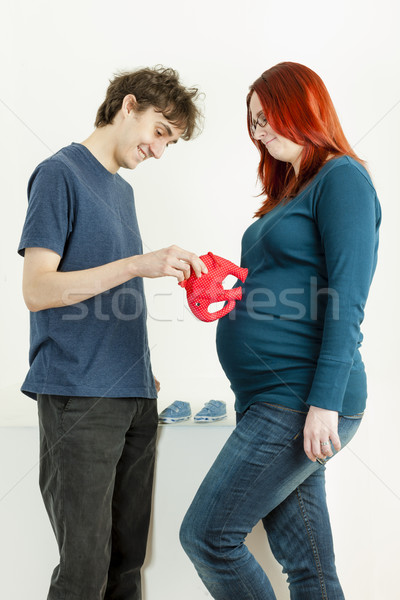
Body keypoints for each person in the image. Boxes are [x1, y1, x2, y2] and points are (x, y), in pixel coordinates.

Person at [180, 62, 381, 599]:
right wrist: (228, 290)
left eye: (268, 117)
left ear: (305, 108)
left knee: (208, 536)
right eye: (252, 122)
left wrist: (324, 403)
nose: (258, 131)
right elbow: (285, 286)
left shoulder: (343, 178)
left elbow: (348, 300)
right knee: (307, 565)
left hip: (299, 399)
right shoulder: (290, 191)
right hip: (268, 397)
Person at [18, 66, 207, 600]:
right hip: (80, 396)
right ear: (129, 106)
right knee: (85, 570)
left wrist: (140, 371)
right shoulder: (59, 174)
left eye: (170, 142)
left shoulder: (121, 193)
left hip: (134, 397)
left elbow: (110, 302)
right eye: (160, 132)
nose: (160, 150)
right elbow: (38, 289)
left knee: (127, 565)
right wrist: (136, 265)